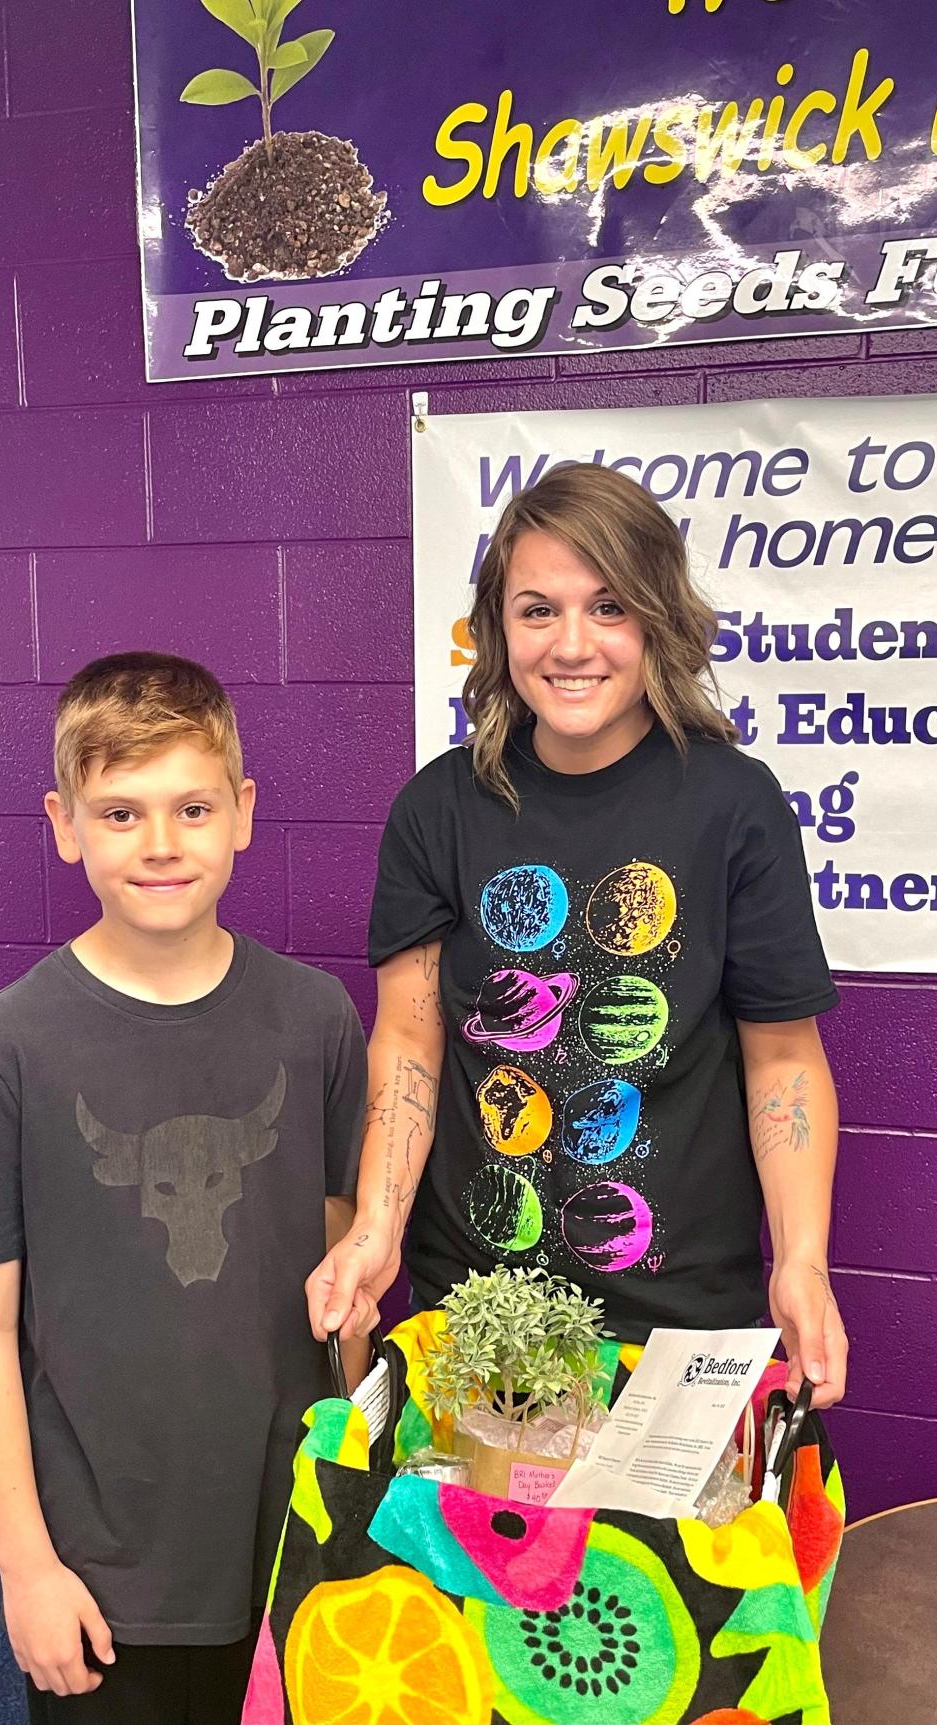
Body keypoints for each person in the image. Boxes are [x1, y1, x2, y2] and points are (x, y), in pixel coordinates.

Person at [307, 462, 848, 1411]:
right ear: (495, 628)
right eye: (536, 609)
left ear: (657, 621)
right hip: (473, 1310)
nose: (572, 644)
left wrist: (803, 1259)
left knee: (659, 1568)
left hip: (681, 1324)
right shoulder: (439, 810)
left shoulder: (735, 804)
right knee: (459, 1561)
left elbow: (783, 1059)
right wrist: (377, 1227)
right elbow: (410, 1042)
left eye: (608, 607)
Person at [0, 653, 372, 1725]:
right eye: (120, 812)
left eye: (193, 807)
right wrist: (26, 1571)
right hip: (101, 1557)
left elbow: (343, 1257)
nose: (161, 845)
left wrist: (355, 1499)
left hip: (287, 1525)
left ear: (243, 815)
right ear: (65, 824)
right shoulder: (8, 1046)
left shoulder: (316, 1021)